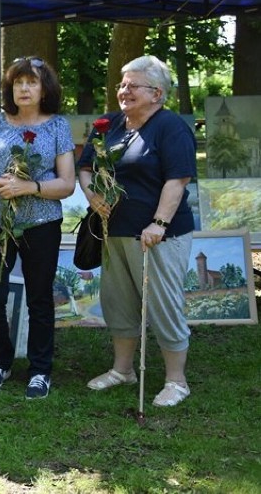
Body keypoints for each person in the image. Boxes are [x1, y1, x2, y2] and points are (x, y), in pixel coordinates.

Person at [79, 55, 195, 407]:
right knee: (118, 303)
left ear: (157, 93)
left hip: (159, 235)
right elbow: (85, 166)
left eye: (132, 85)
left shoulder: (170, 127)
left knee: (163, 306)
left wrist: (158, 223)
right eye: (122, 85)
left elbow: (178, 179)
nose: (124, 91)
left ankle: (177, 381)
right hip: (114, 231)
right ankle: (122, 370)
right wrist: (93, 195)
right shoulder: (109, 125)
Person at [0, 56, 75, 400]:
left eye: (31, 82)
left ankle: (40, 369)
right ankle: (0, 360)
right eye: (18, 83)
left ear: (45, 89)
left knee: (40, 297)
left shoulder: (57, 126)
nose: (24, 89)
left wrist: (29, 187)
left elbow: (68, 184)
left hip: (41, 223)